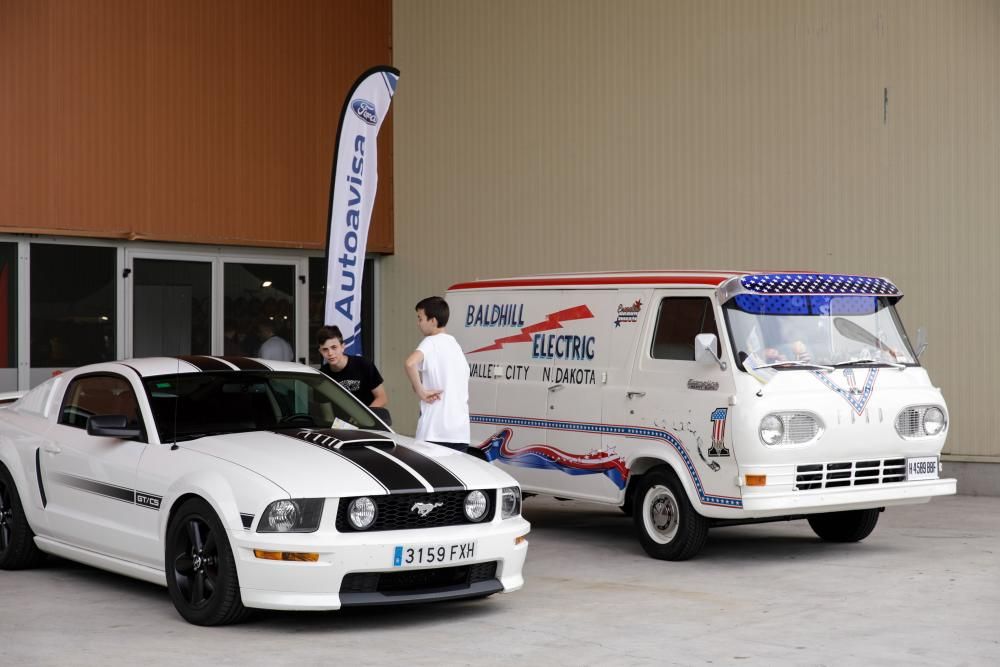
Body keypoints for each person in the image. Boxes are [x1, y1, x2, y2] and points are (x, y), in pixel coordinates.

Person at [404, 296, 470, 452]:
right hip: (460, 432)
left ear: (433, 321)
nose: (418, 323)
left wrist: (421, 391)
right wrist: (420, 385)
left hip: (434, 430)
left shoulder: (430, 342)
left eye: (420, 318)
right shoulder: (455, 346)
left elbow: (410, 363)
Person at [317, 326, 388, 408]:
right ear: (320, 351)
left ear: (343, 347)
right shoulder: (321, 376)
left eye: (334, 347)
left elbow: (382, 398)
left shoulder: (364, 365)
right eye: (325, 349)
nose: (330, 353)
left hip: (366, 419)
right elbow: (324, 408)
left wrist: (363, 419)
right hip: (338, 420)